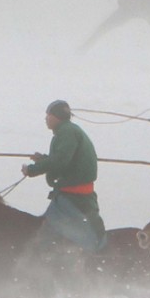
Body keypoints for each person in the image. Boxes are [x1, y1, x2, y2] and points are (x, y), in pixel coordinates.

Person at [21, 100, 106, 251]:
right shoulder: (69, 131)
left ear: (56, 117)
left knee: (47, 230)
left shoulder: (66, 132)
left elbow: (60, 161)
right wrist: (44, 160)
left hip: (72, 196)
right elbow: (65, 159)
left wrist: (33, 170)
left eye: (48, 115)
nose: (46, 119)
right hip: (76, 193)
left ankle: (47, 261)